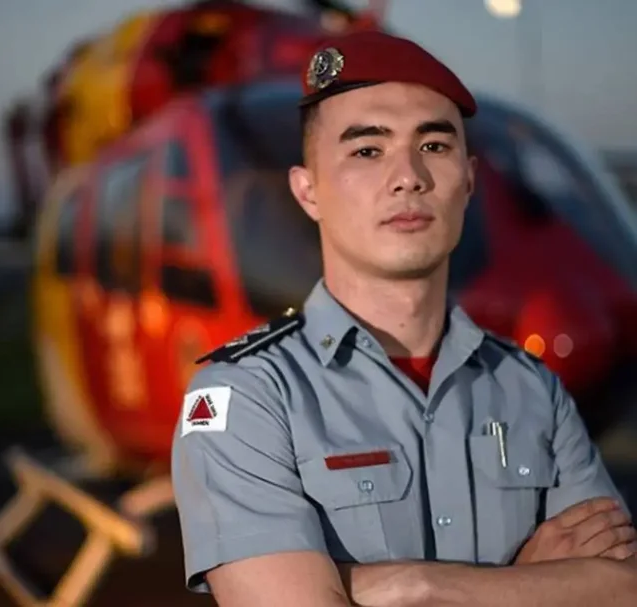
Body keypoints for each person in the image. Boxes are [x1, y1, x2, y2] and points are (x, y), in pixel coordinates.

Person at [170, 29, 637, 606]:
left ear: (467, 180)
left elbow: (619, 589)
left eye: (434, 146)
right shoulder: (244, 396)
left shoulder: (532, 388)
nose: (409, 176)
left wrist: (409, 584)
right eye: (368, 150)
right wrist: (528, 583)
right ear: (308, 190)